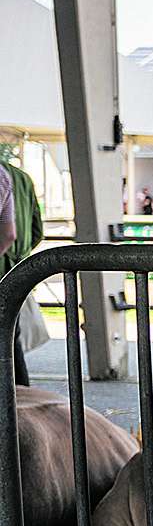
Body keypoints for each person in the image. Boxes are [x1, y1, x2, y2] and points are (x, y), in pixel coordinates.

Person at [0, 158, 43, 386]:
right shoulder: (21, 178)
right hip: (17, 271)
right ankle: (20, 402)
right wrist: (21, 259)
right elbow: (37, 231)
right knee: (10, 341)